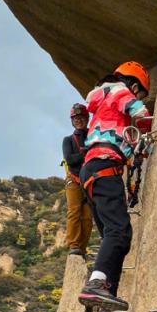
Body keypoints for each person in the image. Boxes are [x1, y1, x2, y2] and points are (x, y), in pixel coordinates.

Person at [77, 62, 152, 312]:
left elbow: (124, 140)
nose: (137, 97)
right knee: (119, 232)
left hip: (92, 170)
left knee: (116, 235)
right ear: (133, 85)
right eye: (139, 92)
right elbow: (140, 113)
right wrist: (147, 129)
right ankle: (96, 284)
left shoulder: (101, 101)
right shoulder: (119, 91)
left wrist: (139, 150)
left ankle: (107, 306)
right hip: (104, 166)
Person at [62, 103, 93, 256]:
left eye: (81, 118)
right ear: (72, 121)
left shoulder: (93, 136)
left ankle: (82, 247)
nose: (78, 121)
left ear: (86, 119)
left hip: (89, 181)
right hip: (74, 179)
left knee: (87, 216)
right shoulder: (68, 140)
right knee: (74, 211)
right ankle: (74, 244)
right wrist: (86, 153)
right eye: (76, 118)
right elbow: (70, 159)